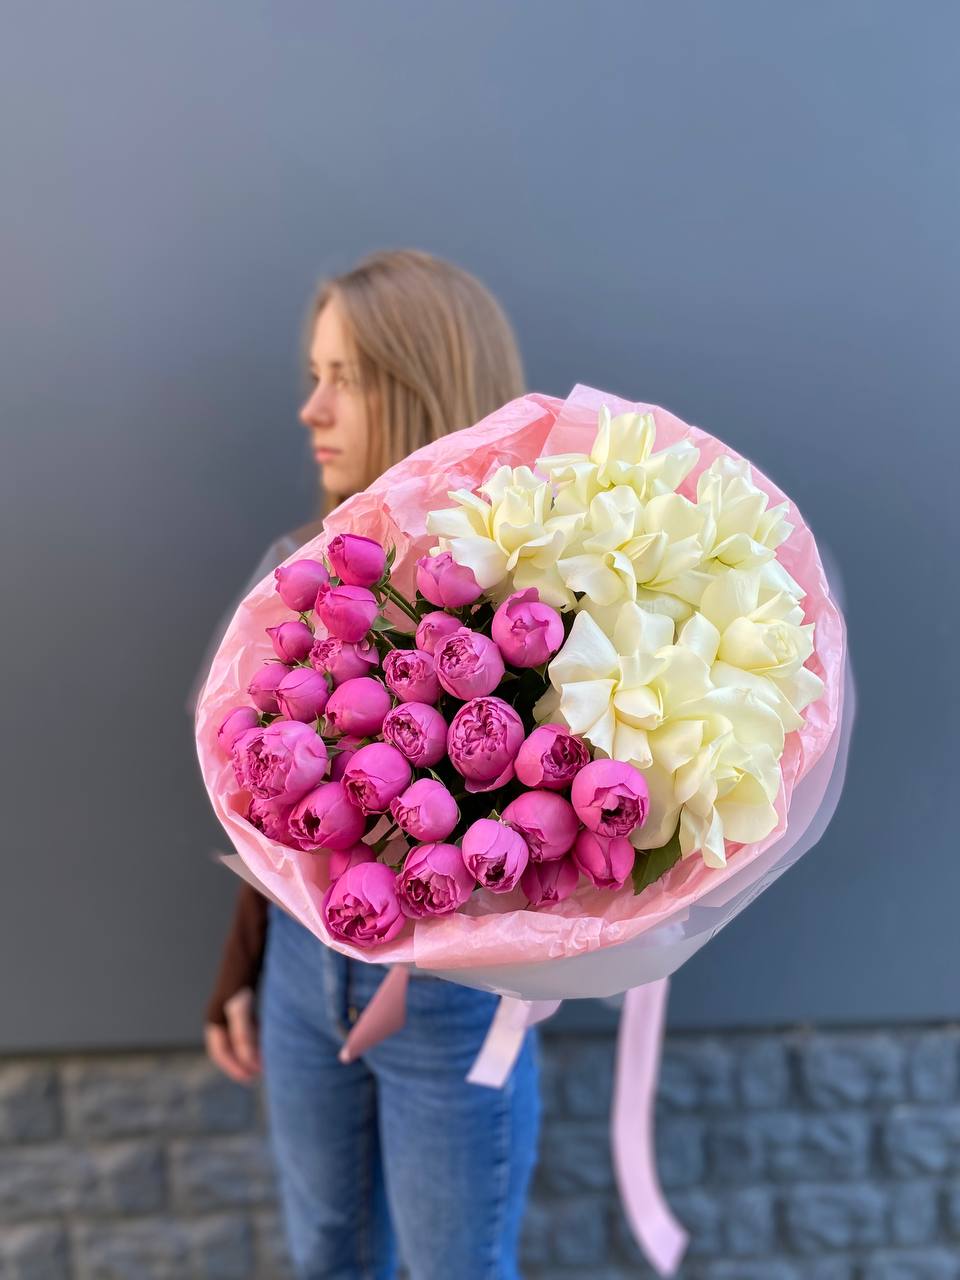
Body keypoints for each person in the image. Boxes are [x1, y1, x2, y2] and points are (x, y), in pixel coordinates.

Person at [200, 250, 537, 1280]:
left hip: (451, 993)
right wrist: (243, 967)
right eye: (316, 374)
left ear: (422, 383)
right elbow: (275, 804)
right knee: (328, 1259)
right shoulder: (308, 570)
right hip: (302, 972)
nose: (312, 407)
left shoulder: (533, 587)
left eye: (344, 377)